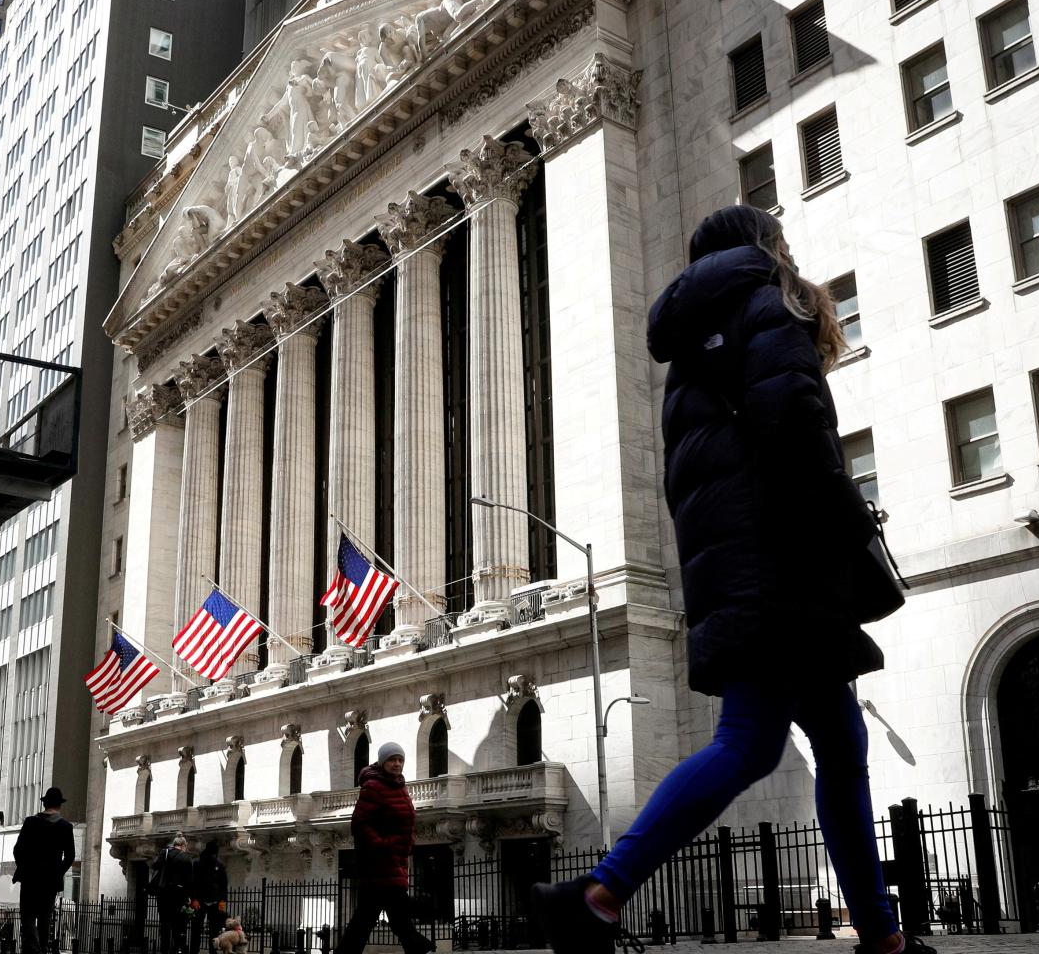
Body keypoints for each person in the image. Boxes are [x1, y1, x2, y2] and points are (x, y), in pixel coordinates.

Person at [531, 204, 935, 954]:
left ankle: (882, 937)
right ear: (763, 245)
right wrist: (849, 516)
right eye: (781, 239)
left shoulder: (691, 346)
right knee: (750, 742)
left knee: (842, 746)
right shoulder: (768, 298)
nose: (788, 248)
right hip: (783, 567)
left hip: (748, 567)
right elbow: (793, 418)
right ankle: (599, 893)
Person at [338, 743, 434, 954]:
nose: (397, 764)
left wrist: (408, 843)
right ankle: (419, 947)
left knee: (377, 917)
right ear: (383, 762)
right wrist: (383, 845)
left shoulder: (399, 786)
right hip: (379, 864)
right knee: (392, 915)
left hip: (395, 861)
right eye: (392, 760)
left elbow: (403, 821)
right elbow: (360, 823)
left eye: (400, 760)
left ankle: (417, 947)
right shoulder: (373, 786)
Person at [14, 786, 75, 954]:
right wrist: (57, 872)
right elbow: (70, 856)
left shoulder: (30, 822)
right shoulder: (65, 827)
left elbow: (18, 850)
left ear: (45, 804)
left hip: (30, 878)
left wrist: (24, 867)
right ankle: (42, 947)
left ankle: (32, 948)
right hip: (50, 881)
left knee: (27, 916)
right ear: (59, 805)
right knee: (44, 919)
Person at [148, 834, 193, 954]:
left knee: (164, 922)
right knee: (178, 922)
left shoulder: (165, 853)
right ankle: (177, 947)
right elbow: (189, 880)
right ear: (183, 845)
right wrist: (188, 896)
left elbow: (155, 866)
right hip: (178, 894)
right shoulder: (186, 858)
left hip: (163, 893)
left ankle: (164, 948)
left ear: (174, 844)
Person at [188, 840, 229, 954]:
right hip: (200, 900)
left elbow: (223, 884)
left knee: (214, 930)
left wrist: (222, 901)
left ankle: (213, 951)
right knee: (196, 929)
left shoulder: (219, 864)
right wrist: (194, 899)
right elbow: (193, 883)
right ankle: (194, 951)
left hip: (215, 901)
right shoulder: (196, 863)